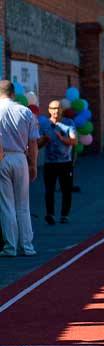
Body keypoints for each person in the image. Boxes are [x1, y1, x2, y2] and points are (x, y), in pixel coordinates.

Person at [0, 80, 39, 256]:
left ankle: (10, 247)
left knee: (6, 204)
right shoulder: (26, 112)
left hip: (2, 157)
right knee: (23, 204)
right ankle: (27, 246)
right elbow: (33, 143)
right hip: (20, 157)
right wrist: (33, 164)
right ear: (13, 93)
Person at [37, 100, 77, 225]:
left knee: (66, 190)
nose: (56, 111)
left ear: (62, 110)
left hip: (65, 163)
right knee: (49, 190)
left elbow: (74, 141)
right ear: (49, 110)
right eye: (53, 108)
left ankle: (64, 215)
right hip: (50, 163)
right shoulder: (44, 124)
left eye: (58, 108)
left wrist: (61, 138)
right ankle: (50, 214)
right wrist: (44, 139)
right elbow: (37, 145)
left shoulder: (69, 123)